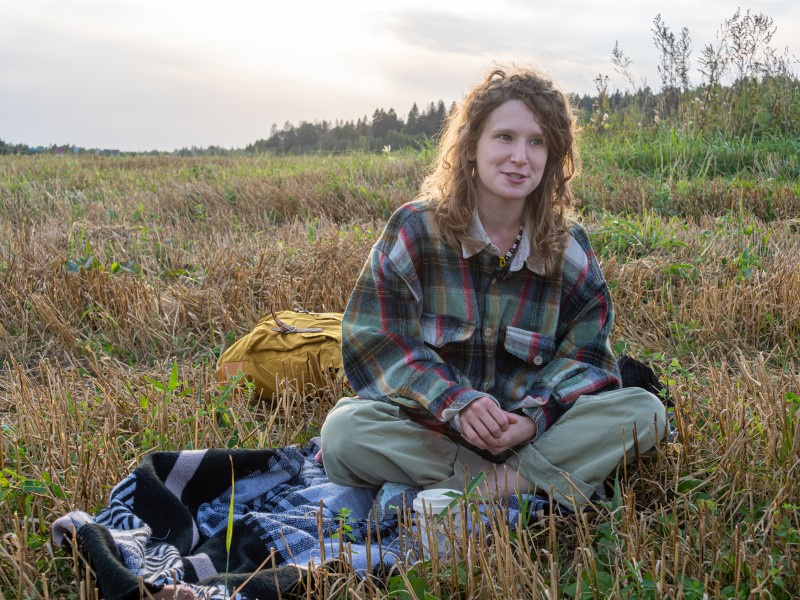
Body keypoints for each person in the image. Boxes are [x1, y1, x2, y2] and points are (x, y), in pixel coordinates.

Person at [318, 66, 666, 509]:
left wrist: (534, 418)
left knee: (645, 412)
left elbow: (589, 358)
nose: (521, 156)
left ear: (552, 158)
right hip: (437, 431)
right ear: (470, 148)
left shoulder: (569, 248)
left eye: (537, 142)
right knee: (344, 432)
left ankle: (475, 493)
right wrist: (457, 403)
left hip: (531, 433)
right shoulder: (415, 230)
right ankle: (528, 483)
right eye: (504, 137)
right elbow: (376, 344)